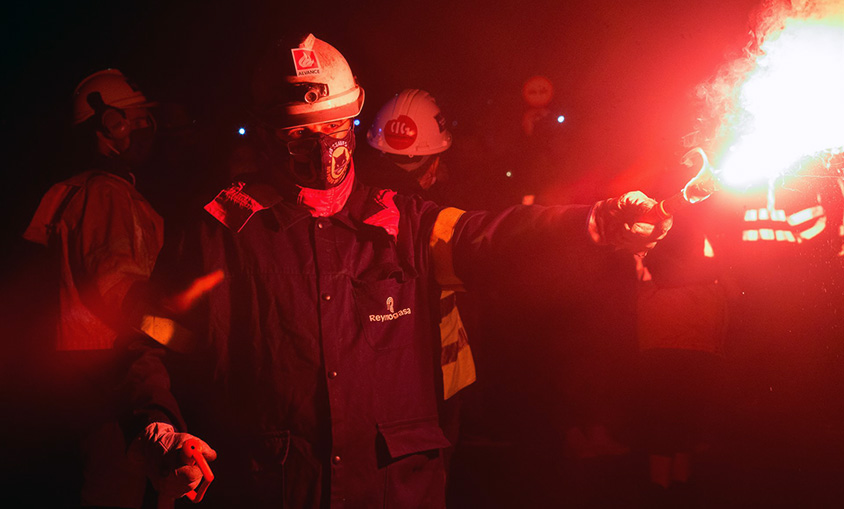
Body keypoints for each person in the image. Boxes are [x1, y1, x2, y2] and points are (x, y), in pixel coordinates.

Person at [120, 33, 673, 508]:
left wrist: (596, 223)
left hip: (393, 490)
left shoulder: (403, 223)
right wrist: (160, 430)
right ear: (267, 137)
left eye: (335, 129)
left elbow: (493, 238)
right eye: (300, 137)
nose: (324, 152)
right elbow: (151, 341)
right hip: (275, 487)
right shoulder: (222, 234)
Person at [22, 69, 162, 508]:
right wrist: (175, 328)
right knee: (116, 489)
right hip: (109, 378)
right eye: (137, 118)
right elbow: (117, 284)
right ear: (111, 124)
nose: (147, 129)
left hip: (77, 376)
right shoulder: (106, 194)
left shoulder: (76, 189)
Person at [364, 88, 476, 476]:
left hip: (380, 385)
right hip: (434, 385)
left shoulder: (355, 203)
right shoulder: (432, 214)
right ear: (431, 163)